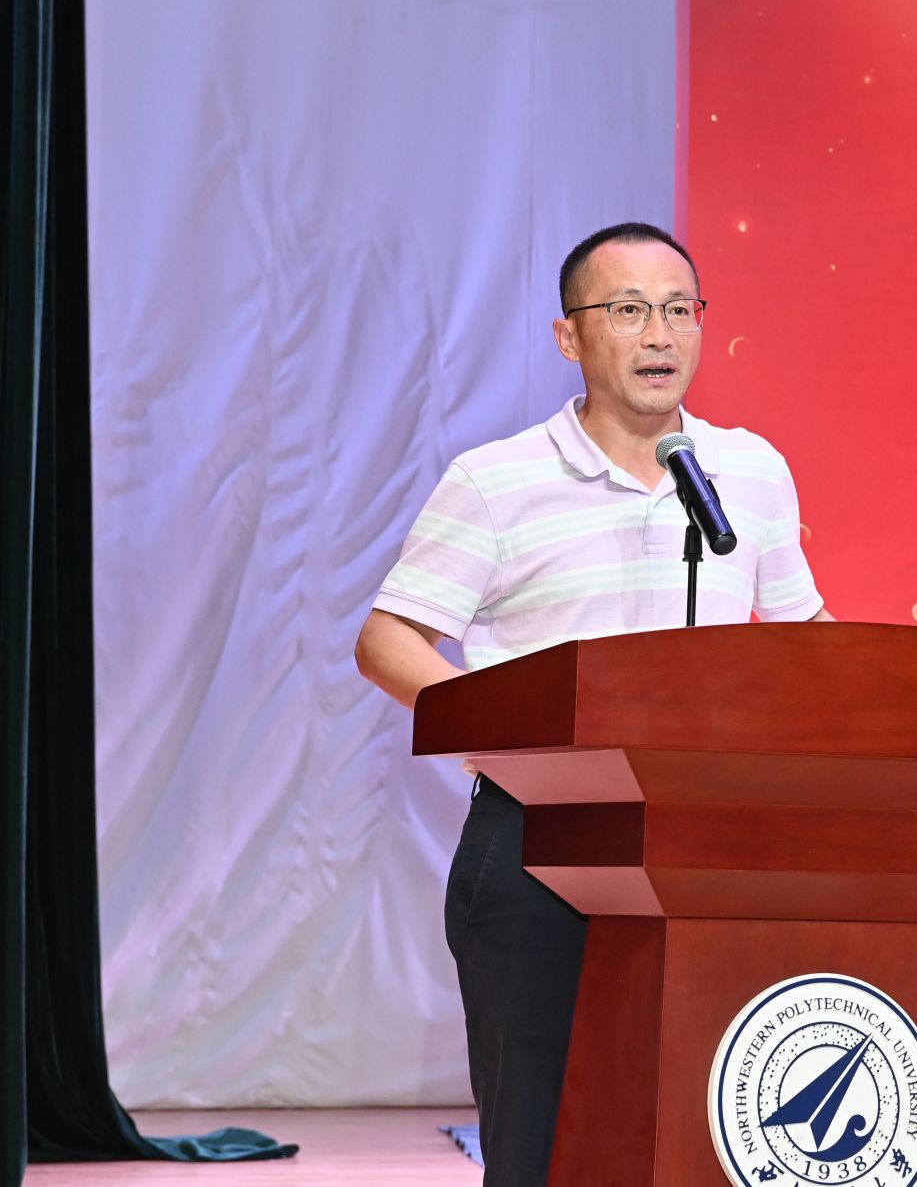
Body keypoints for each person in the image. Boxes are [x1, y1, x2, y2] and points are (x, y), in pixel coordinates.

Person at [354, 221, 832, 1185]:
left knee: (705, 1132)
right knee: (545, 1143)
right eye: (628, 310)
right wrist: (515, 730)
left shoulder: (748, 472)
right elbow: (387, 640)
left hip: (706, 844)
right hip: (541, 843)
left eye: (679, 309)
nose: (659, 334)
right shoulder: (498, 479)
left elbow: (806, 642)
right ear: (569, 336)